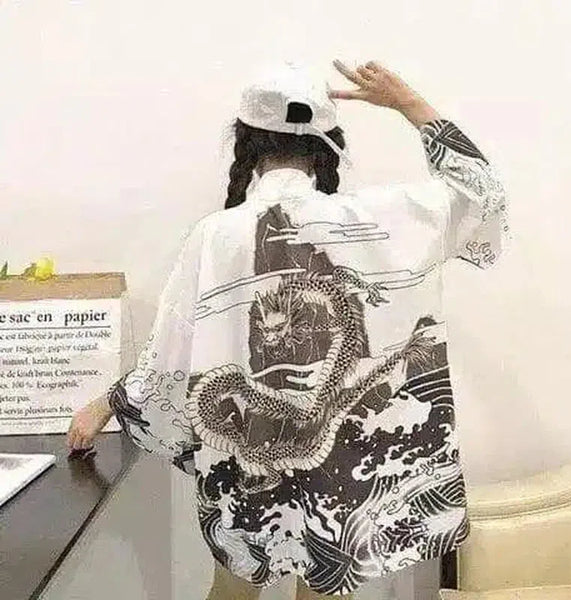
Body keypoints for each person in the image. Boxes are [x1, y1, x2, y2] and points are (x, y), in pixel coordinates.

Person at [67, 59, 509, 599]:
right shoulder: (379, 219)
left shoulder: (216, 235)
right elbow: (480, 193)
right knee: (321, 584)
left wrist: (108, 404)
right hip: (336, 465)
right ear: (328, 148)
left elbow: (170, 359)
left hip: (252, 452)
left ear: (246, 144)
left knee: (232, 589)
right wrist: (407, 104)